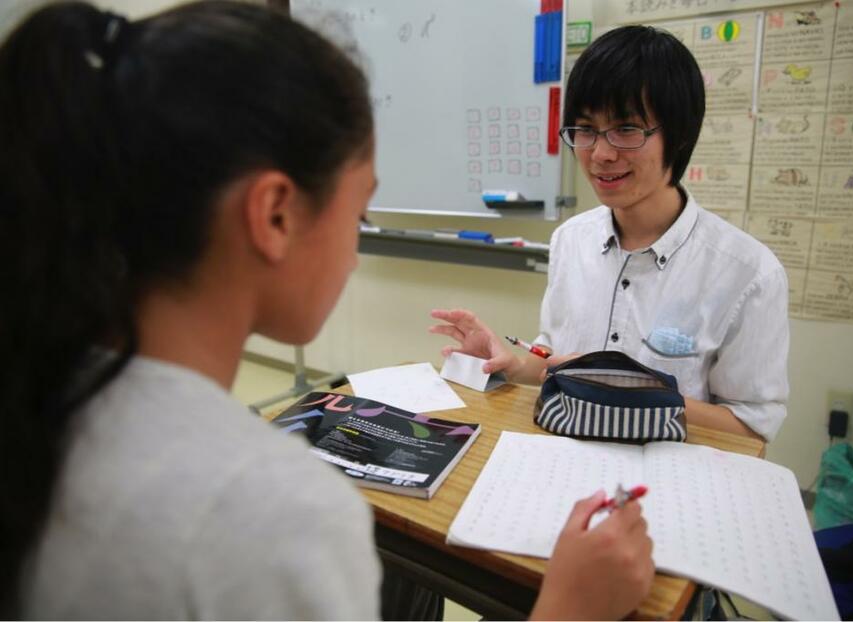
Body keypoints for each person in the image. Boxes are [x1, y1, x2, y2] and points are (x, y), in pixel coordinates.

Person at [0, 1, 654, 619]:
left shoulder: (42, 395)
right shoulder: (278, 513)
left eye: (625, 130)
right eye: (360, 211)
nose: (602, 151)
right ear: (276, 214)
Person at [431, 25, 789, 443]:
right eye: (585, 129)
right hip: (558, 463)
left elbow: (751, 426)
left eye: (626, 129)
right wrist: (509, 364)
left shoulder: (749, 273)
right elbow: (558, 366)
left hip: (666, 485)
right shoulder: (571, 240)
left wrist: (630, 392)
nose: (600, 153)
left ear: (680, 133)